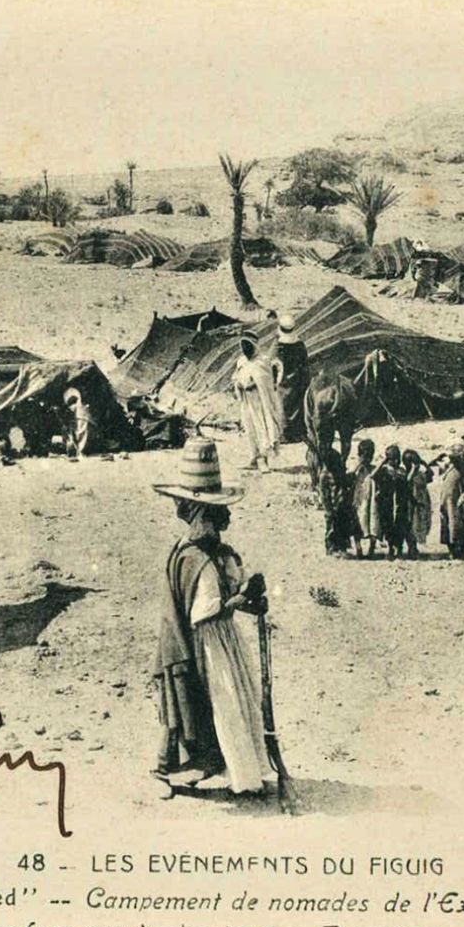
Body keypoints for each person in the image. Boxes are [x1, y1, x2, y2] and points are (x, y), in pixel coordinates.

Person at [151, 437, 277, 795]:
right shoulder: (194, 558)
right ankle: (166, 771)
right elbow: (205, 612)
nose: (216, 526)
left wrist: (251, 599)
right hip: (201, 641)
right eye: (209, 518)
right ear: (196, 515)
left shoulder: (216, 553)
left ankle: (218, 768)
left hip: (218, 642)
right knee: (200, 704)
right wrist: (240, 598)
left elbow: (230, 592)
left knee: (223, 703)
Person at [230, 334, 283, 469]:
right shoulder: (241, 361)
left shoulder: (262, 361)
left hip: (259, 401)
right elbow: (236, 377)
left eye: (248, 346)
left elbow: (265, 382)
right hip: (246, 400)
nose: (245, 349)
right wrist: (238, 385)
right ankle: (254, 458)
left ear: (254, 346)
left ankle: (263, 460)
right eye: (243, 346)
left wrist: (252, 384)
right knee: (249, 429)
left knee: (261, 428)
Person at [272, 314, 311, 444]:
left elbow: (272, 363)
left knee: (282, 407)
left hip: (282, 381)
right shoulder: (299, 345)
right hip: (298, 380)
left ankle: (284, 434)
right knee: (297, 406)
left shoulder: (278, 346)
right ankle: (297, 433)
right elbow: (305, 363)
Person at [436, 446, 464, 559]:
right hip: (447, 500)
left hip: (458, 501)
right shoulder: (449, 466)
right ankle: (452, 550)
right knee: (448, 523)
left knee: (459, 524)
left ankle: (461, 549)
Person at [373, 442, 409, 558]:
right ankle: (390, 548)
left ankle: (398, 548)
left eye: (397, 459)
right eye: (391, 459)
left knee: (400, 524)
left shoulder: (401, 471)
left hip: (400, 503)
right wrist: (383, 462)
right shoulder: (384, 470)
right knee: (387, 525)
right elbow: (373, 476)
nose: (395, 462)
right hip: (386, 503)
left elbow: (407, 483)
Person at [351, 438, 379, 557]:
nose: (368, 459)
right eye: (365, 456)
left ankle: (372, 548)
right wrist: (358, 465)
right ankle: (358, 548)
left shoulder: (374, 469)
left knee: (373, 522)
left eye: (370, 456)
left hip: (372, 501)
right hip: (360, 500)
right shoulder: (356, 469)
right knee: (358, 522)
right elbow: (350, 477)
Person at [403, 449, 433, 555]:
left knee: (419, 524)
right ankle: (412, 547)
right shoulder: (405, 474)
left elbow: (430, 475)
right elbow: (407, 482)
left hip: (421, 502)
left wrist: (424, 463)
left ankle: (414, 547)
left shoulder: (420, 475)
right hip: (411, 503)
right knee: (411, 525)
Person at [64, 387, 97, 457]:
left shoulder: (80, 411)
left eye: (73, 402)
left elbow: (80, 431)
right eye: (70, 403)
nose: (72, 406)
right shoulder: (79, 410)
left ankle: (79, 450)